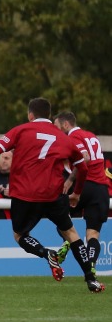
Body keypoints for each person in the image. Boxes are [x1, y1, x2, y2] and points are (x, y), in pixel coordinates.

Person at [0, 97, 105, 293]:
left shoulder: (20, 130)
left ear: (30, 114)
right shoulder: (64, 138)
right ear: (49, 115)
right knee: (71, 233)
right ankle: (91, 279)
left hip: (24, 195)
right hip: (54, 195)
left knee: (19, 235)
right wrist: (77, 192)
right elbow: (83, 168)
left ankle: (46, 254)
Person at [53, 111, 109, 274]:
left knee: (58, 214)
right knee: (93, 233)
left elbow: (84, 158)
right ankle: (91, 265)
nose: (56, 131)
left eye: (57, 127)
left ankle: (68, 241)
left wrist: (70, 180)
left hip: (85, 185)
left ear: (65, 125)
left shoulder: (73, 136)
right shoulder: (90, 135)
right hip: (101, 189)